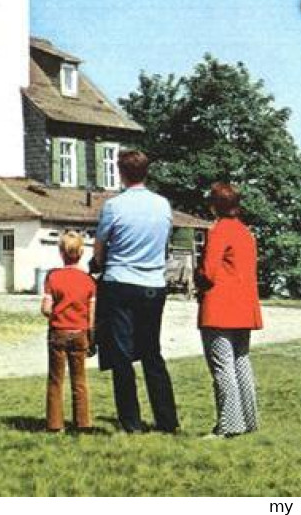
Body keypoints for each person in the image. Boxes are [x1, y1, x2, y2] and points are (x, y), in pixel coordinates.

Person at [93, 149, 179, 434]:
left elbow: (101, 246)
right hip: (153, 284)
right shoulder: (162, 205)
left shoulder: (114, 206)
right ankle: (167, 420)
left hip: (120, 282)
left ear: (121, 173)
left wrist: (97, 264)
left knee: (121, 355)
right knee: (152, 353)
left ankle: (131, 421)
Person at [195, 182, 262, 439]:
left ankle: (228, 425)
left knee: (223, 368)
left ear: (215, 206)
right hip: (244, 308)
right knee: (241, 362)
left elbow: (209, 272)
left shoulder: (219, 231)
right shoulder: (246, 232)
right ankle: (248, 421)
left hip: (220, 308)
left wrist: (198, 278)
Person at [42, 229, 97, 433]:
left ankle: (55, 423)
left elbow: (46, 308)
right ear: (82, 253)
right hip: (80, 333)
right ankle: (83, 423)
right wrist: (92, 337)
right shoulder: (89, 281)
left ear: (60, 253)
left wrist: (55, 314)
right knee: (79, 379)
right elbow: (92, 315)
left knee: (56, 379)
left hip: (58, 332)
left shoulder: (53, 278)